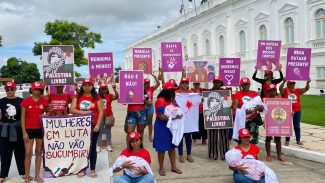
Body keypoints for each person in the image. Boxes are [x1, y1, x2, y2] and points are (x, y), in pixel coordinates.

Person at [70, 78, 104, 178]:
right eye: (85, 85)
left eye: (89, 85)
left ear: (92, 86)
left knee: (92, 148)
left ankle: (92, 168)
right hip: (80, 126)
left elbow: (101, 111)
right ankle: (82, 168)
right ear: (82, 86)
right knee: (82, 148)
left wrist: (97, 125)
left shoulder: (96, 97)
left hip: (94, 126)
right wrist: (84, 112)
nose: (87, 87)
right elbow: (72, 109)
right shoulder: (78, 96)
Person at [0, 82, 31, 183]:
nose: (10, 91)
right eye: (7, 89)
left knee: (20, 152)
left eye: (11, 89)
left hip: (18, 129)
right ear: (5, 90)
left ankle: (23, 173)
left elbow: (25, 116)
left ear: (15, 89)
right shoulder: (1, 101)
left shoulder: (21, 101)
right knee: (5, 153)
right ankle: (3, 175)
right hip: (4, 130)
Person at [21, 81, 49, 183]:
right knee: (28, 153)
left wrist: (48, 113)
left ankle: (37, 176)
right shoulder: (25, 101)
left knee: (38, 152)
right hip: (28, 130)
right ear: (31, 90)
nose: (36, 91)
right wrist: (24, 132)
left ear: (40, 90)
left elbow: (48, 112)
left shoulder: (44, 100)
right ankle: (27, 177)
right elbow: (22, 118)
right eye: (35, 89)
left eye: (38, 89)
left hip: (39, 129)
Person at [153, 81, 182, 176]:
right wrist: (174, 118)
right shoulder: (160, 101)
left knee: (172, 147)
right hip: (161, 126)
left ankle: (173, 167)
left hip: (171, 127)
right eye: (172, 91)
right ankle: (161, 168)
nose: (174, 92)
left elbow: (178, 111)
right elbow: (161, 116)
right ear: (167, 91)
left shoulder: (171, 100)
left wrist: (176, 105)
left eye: (174, 91)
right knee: (161, 148)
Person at [233, 77, 264, 144]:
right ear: (241, 85)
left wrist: (259, 108)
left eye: (247, 84)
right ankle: (243, 154)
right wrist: (243, 111)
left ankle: (252, 153)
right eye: (244, 84)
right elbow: (234, 107)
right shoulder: (237, 94)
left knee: (253, 141)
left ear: (249, 84)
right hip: (242, 122)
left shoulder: (255, 94)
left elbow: (262, 108)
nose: (246, 86)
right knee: (242, 141)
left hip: (253, 122)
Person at [279, 78, 310, 146]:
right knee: (288, 126)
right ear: (288, 84)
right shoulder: (285, 91)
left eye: (293, 84)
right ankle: (287, 140)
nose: (292, 85)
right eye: (291, 84)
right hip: (287, 111)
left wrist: (307, 83)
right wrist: (283, 81)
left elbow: (306, 89)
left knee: (297, 126)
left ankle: (298, 140)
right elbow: (280, 88)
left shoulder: (297, 91)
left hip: (297, 111)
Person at [208, 77, 229, 161]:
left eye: (218, 82)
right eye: (215, 82)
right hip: (212, 118)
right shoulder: (208, 92)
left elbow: (227, 104)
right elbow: (207, 103)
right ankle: (213, 155)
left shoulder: (225, 92)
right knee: (212, 136)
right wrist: (203, 100)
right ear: (213, 83)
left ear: (221, 83)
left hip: (223, 117)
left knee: (224, 136)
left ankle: (225, 155)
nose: (216, 84)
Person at [263, 84, 286, 163]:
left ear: (276, 91)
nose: (272, 92)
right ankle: (268, 155)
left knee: (278, 138)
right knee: (268, 138)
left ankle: (279, 155)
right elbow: (263, 111)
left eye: (274, 90)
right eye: (270, 91)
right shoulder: (265, 100)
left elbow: (285, 109)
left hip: (277, 121)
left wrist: (291, 112)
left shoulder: (280, 99)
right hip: (269, 121)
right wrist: (264, 120)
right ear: (268, 92)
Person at [176, 77, 195, 163]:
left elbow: (195, 102)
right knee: (180, 137)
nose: (184, 85)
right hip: (179, 118)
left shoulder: (191, 93)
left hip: (188, 119)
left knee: (188, 137)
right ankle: (180, 155)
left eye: (186, 83)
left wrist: (200, 100)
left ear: (188, 84)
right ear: (180, 84)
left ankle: (188, 154)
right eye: (183, 83)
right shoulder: (176, 93)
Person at [97, 84, 119, 152]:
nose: (103, 90)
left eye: (105, 89)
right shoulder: (97, 96)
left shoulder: (109, 96)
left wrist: (115, 89)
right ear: (99, 90)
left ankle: (108, 145)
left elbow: (116, 97)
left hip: (108, 115)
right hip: (99, 116)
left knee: (108, 131)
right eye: (102, 89)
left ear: (107, 89)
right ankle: (98, 146)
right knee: (99, 132)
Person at [144, 75, 160, 142]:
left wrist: (155, 77)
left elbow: (158, 84)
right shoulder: (140, 89)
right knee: (142, 123)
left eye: (148, 83)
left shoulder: (151, 88)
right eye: (145, 83)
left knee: (149, 122)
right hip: (143, 107)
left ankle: (150, 136)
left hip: (150, 107)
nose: (147, 85)